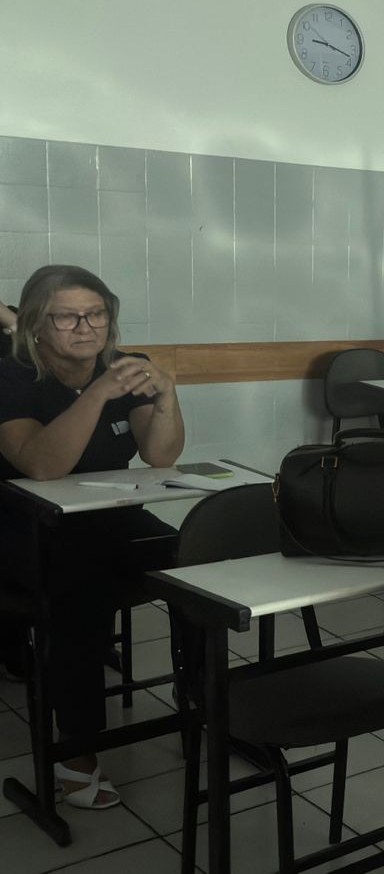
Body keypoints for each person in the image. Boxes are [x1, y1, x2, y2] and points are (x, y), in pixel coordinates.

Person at [0, 265, 186, 809]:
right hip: (25, 525)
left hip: (107, 517)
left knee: (195, 566)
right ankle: (76, 755)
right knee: (80, 600)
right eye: (67, 317)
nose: (86, 327)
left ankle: (202, 698)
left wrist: (168, 398)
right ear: (36, 326)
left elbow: (160, 455)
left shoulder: (130, 368)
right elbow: (40, 465)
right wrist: (98, 394)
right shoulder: (12, 376)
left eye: (97, 313)